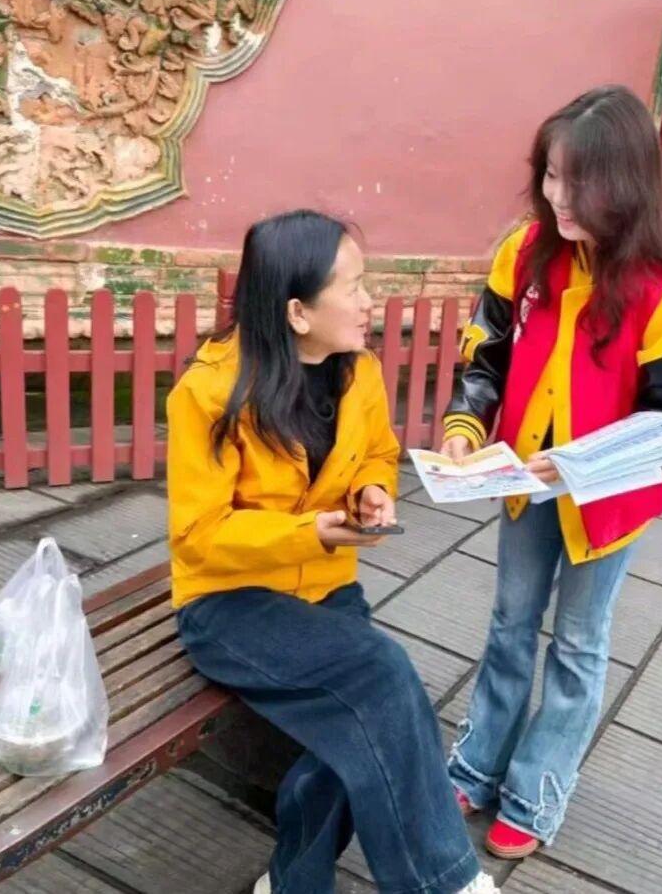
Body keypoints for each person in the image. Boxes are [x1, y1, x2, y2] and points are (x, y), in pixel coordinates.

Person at [167, 210, 499, 894]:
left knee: (356, 737)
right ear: (297, 312)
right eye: (352, 287)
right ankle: (446, 883)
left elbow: (377, 452)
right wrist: (308, 532)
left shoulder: (358, 372)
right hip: (228, 602)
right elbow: (197, 535)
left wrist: (374, 490)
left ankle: (292, 884)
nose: (370, 300)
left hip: (324, 586)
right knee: (383, 678)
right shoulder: (208, 393)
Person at [441, 86, 662, 857]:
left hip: (606, 501)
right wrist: (465, 427)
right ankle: (478, 761)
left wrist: (576, 467)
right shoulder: (524, 254)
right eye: (551, 175)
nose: (559, 197)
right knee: (508, 622)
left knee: (577, 642)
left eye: (579, 181)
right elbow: (484, 354)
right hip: (521, 482)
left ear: (624, 182)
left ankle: (535, 791)